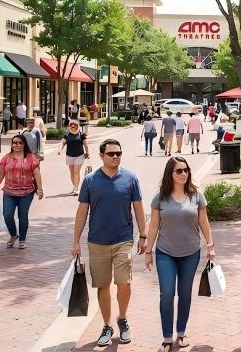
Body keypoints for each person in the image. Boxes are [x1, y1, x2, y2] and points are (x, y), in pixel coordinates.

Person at [73, 139, 146, 347]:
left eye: (118, 153)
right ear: (101, 156)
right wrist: (75, 241)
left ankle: (122, 319)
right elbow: (82, 211)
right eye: (111, 153)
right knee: (103, 285)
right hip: (97, 242)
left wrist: (143, 236)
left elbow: (138, 207)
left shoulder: (131, 178)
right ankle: (107, 325)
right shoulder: (90, 180)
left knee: (124, 283)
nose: (115, 157)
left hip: (123, 239)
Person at [144, 157, 215, 350]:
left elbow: (203, 221)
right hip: (165, 252)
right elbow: (154, 226)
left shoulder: (197, 195)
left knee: (185, 294)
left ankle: (181, 333)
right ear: (171, 174)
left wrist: (210, 245)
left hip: (190, 252)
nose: (183, 174)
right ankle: (167, 337)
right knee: (167, 293)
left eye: (186, 170)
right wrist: (148, 251)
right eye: (179, 171)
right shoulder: (160, 197)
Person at [0, 134, 43, 249]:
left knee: (22, 215)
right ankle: (14, 235)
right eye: (14, 143)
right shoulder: (6, 158)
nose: (17, 145)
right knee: (7, 215)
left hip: (27, 192)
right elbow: (1, 174)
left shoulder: (31, 158)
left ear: (24, 144)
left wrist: (40, 189)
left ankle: (22, 239)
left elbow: (37, 174)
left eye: (20, 143)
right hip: (9, 192)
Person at [57, 120, 90, 195]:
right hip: (69, 155)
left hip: (79, 155)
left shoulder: (81, 134)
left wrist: (87, 152)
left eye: (75, 125)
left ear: (78, 126)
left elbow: (85, 144)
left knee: (76, 172)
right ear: (69, 126)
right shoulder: (67, 134)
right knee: (72, 172)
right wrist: (59, 150)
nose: (73, 126)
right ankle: (74, 186)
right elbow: (62, 142)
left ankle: (76, 188)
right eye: (71, 125)